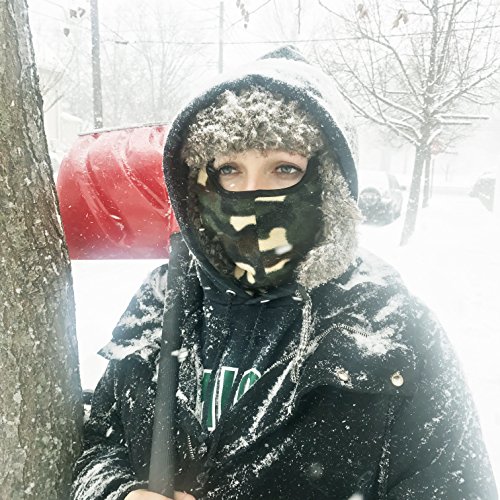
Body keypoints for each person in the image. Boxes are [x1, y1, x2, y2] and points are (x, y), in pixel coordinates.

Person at [70, 47, 498, 500]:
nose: (252, 194)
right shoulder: (163, 296)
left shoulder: (389, 326)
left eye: (284, 169)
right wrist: (118, 493)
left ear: (328, 182)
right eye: (230, 169)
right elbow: (100, 443)